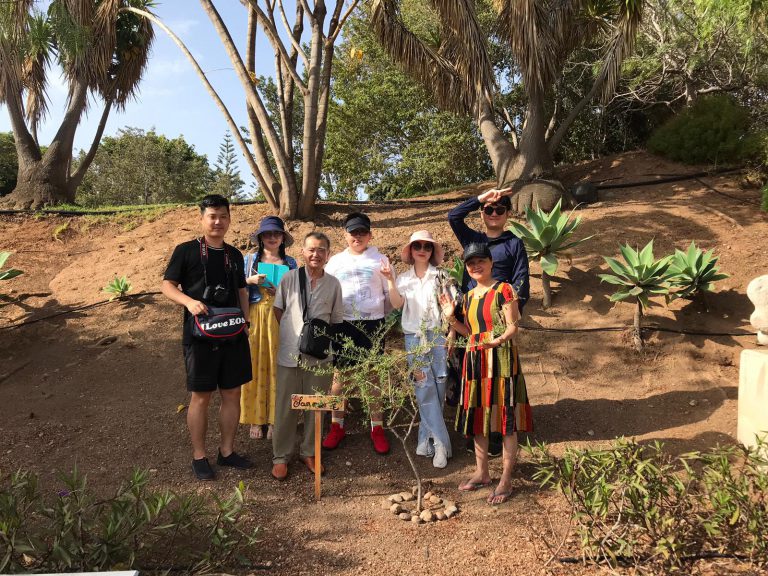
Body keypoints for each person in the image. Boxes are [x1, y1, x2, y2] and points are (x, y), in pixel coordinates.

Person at [161, 194, 253, 481]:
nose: (217, 221)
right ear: (201, 219)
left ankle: (227, 451)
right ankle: (199, 456)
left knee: (233, 393)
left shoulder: (234, 255)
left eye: (223, 216)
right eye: (212, 216)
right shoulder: (186, 251)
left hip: (233, 332)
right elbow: (167, 285)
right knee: (200, 396)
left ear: (229, 219)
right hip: (200, 335)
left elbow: (241, 291)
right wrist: (188, 302)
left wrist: (246, 320)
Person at [439, 242, 532, 505]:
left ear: (491, 262)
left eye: (481, 261)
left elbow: (514, 326)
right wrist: (450, 318)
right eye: (470, 263)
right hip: (475, 360)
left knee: (505, 419)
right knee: (478, 416)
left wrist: (497, 340)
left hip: (501, 359)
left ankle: (506, 479)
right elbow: (469, 332)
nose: (476, 266)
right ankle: (482, 472)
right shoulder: (467, 297)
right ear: (467, 269)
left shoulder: (504, 289)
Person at [448, 188, 530, 456]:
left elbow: (521, 280)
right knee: (470, 373)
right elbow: (453, 216)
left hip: (499, 312)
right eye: (488, 210)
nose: (493, 214)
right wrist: (481, 198)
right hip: (471, 312)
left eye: (499, 209)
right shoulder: (474, 240)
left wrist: (510, 314)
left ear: (507, 214)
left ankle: (498, 433)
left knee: (499, 377)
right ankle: (476, 429)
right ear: (482, 213)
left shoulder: (514, 243)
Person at [270, 232, 344, 480]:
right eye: (311, 249)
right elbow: (278, 310)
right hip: (289, 353)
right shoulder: (289, 279)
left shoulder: (333, 284)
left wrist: (314, 341)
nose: (316, 254)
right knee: (284, 406)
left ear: (328, 255)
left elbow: (335, 320)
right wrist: (297, 337)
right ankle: (281, 456)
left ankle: (310, 451)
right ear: (303, 252)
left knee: (317, 405)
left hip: (320, 356)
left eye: (321, 250)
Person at [381, 230, 452, 468]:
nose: (422, 249)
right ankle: (442, 444)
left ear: (432, 251)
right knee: (423, 388)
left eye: (427, 246)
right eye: (417, 245)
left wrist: (451, 330)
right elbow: (397, 304)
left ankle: (425, 439)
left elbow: (451, 308)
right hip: (414, 338)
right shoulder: (403, 279)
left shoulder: (441, 276)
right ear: (411, 250)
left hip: (438, 338)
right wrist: (390, 280)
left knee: (439, 387)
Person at [322, 211, 391, 455]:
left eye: (362, 232)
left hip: (372, 325)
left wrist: (378, 317)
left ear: (370, 234)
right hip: (342, 325)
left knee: (372, 377)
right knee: (340, 378)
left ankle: (377, 428)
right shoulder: (335, 262)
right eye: (353, 232)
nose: (358, 236)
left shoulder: (380, 259)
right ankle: (336, 426)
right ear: (345, 234)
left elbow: (389, 295)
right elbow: (325, 292)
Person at [241, 216, 297, 440]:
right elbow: (237, 287)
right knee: (254, 365)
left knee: (279, 366)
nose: (272, 238)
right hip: (256, 315)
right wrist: (250, 281)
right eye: (268, 234)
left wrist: (280, 293)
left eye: (276, 234)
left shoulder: (291, 263)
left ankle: (276, 418)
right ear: (261, 238)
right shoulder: (249, 260)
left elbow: (298, 293)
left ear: (282, 237)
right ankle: (255, 418)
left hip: (280, 316)